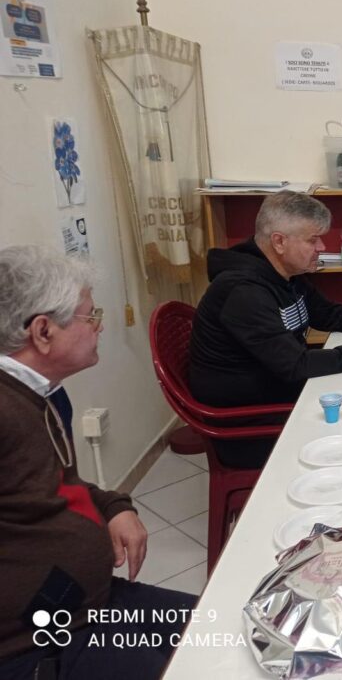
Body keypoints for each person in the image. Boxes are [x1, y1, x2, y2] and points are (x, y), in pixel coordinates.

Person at [0, 245, 196, 680]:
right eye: (90, 316)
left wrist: (113, 506)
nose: (99, 327)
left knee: (226, 627)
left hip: (92, 603)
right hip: (41, 644)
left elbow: (58, 484)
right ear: (43, 332)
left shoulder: (41, 394)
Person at [189, 192, 342, 464]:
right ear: (279, 242)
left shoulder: (284, 275)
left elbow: (330, 314)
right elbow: (295, 365)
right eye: (312, 239)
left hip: (279, 389)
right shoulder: (243, 291)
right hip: (248, 421)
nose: (321, 246)